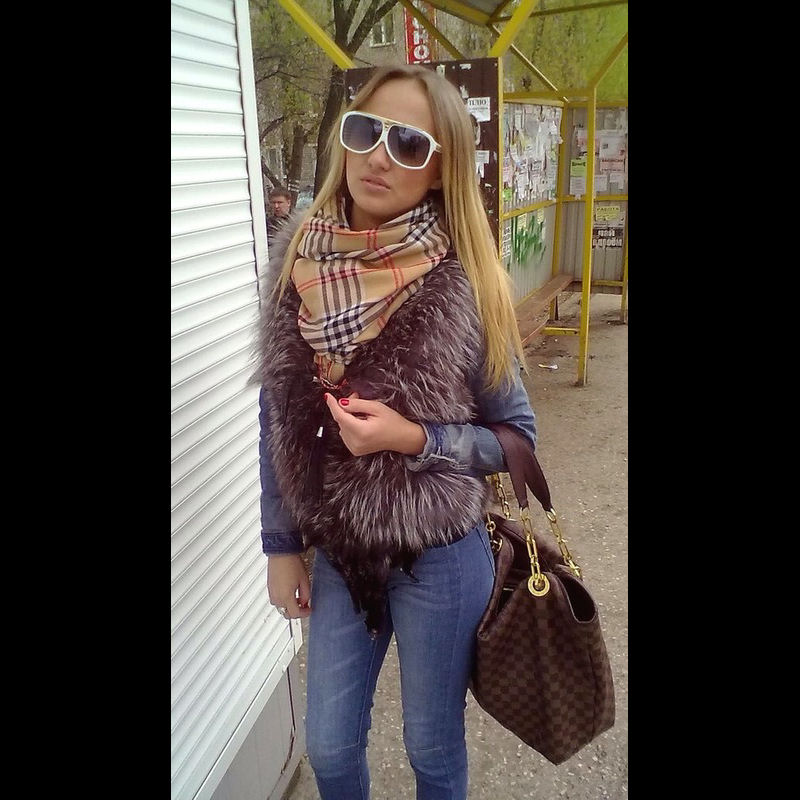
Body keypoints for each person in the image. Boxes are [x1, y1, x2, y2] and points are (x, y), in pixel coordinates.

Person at [254, 64, 537, 800]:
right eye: (366, 131)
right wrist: (282, 547)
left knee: (431, 747)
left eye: (410, 144)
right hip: (341, 552)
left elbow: (516, 438)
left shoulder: (466, 282)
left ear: (441, 170)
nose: (380, 157)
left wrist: (415, 439)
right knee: (328, 747)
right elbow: (277, 414)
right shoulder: (297, 265)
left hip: (441, 554)